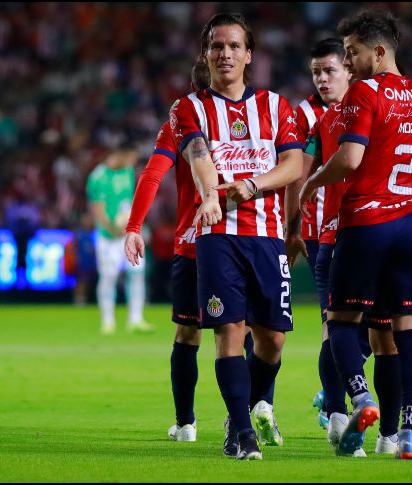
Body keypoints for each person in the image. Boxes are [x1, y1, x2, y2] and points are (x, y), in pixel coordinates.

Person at [299, 10, 412, 460]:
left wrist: (310, 183)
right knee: (407, 330)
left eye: (353, 53)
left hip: (365, 224)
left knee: (341, 322)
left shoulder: (365, 91)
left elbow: (350, 158)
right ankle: (409, 434)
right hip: (408, 228)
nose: (350, 61)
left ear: (378, 52)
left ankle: (362, 399)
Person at [170, 13, 303, 461]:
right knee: (229, 330)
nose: (224, 54)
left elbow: (294, 166)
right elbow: (198, 154)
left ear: (249, 55)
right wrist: (210, 194)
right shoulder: (189, 107)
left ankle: (245, 410)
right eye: (216, 47)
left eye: (233, 46)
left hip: (267, 234)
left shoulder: (276, 106)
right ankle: (241, 433)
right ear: (205, 55)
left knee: (272, 341)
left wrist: (249, 186)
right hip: (217, 236)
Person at [285, 38, 391, 456]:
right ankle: (337, 411)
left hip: (378, 229)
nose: (323, 79)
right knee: (337, 325)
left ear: (349, 70)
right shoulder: (313, 120)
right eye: (317, 72)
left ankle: (336, 395)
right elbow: (299, 177)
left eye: (330, 70)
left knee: (373, 330)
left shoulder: (377, 105)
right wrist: (294, 229)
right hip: (326, 232)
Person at [86, 141, 154, 335]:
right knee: (109, 277)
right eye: (132, 156)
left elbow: (131, 201)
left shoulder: (128, 172)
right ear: (121, 153)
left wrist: (134, 226)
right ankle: (107, 322)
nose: (133, 161)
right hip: (108, 236)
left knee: (137, 274)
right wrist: (113, 229)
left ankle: (136, 319)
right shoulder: (98, 177)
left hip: (129, 234)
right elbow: (97, 209)